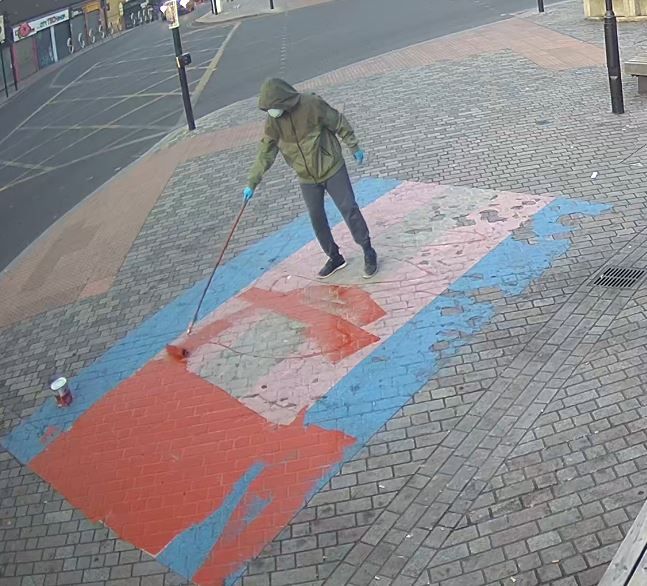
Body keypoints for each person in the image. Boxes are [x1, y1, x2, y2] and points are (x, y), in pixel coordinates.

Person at [243, 78, 378, 279]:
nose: (271, 112)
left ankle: (367, 249)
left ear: (283, 100)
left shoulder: (311, 104)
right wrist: (252, 182)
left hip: (331, 167)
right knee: (316, 218)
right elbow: (266, 151)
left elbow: (337, 121)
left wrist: (353, 146)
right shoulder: (273, 121)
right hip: (306, 176)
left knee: (348, 208)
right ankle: (334, 257)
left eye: (273, 107)